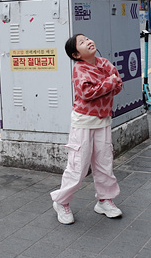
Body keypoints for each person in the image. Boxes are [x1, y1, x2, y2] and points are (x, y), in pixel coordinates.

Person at [50, 34, 124, 224]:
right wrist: (110, 81)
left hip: (103, 121)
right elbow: (87, 92)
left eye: (87, 39)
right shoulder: (79, 69)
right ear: (76, 54)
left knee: (104, 163)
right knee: (78, 166)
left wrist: (109, 83)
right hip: (83, 123)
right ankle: (61, 202)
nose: (88, 41)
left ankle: (104, 200)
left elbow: (119, 85)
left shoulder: (104, 63)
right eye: (82, 43)